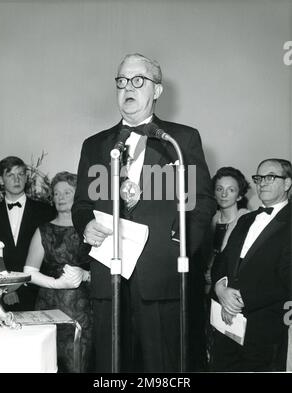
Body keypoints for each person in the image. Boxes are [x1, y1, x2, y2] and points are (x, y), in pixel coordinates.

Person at [71, 53, 216, 372]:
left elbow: (202, 201)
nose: (128, 88)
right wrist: (86, 226)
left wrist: (180, 249)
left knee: (162, 369)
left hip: (162, 279)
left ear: (157, 90)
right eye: (121, 82)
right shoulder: (95, 145)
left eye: (138, 80)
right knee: (111, 368)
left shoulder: (180, 140)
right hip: (109, 279)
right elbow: (81, 205)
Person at [210, 158, 292, 371]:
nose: (262, 182)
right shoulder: (246, 219)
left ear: (287, 184)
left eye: (270, 177)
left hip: (264, 328)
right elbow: (222, 261)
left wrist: (238, 300)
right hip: (226, 325)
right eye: (259, 177)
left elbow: (287, 278)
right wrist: (220, 289)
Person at [24, 171, 93, 373]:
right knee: (48, 365)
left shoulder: (90, 229)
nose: (60, 197)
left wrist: (86, 275)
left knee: (79, 366)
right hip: (48, 311)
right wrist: (57, 283)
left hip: (84, 312)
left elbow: (109, 271)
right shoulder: (43, 230)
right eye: (56, 193)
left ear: (78, 195)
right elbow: (29, 272)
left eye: (66, 192)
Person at [0, 156, 55, 311]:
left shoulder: (46, 212)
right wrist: (3, 289)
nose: (16, 179)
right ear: (1, 180)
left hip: (37, 293)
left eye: (20, 174)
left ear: (26, 178)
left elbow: (51, 256)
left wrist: (20, 284)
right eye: (10, 175)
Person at [204, 166, 250, 294]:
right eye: (219, 189)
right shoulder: (209, 221)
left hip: (233, 291)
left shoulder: (247, 222)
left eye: (231, 190)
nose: (224, 194)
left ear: (240, 196)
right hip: (207, 291)